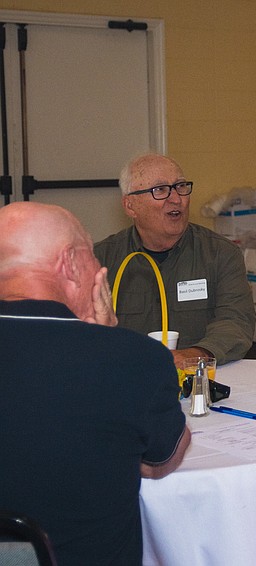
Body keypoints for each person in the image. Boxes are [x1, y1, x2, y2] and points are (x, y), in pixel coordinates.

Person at [0, 202, 190, 566]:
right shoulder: (134, 359)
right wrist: (110, 339)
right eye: (91, 254)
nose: (101, 268)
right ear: (70, 263)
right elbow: (162, 461)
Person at [95, 153, 255, 365]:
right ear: (130, 206)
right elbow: (80, 330)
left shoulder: (220, 254)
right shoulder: (101, 260)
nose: (176, 199)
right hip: (127, 379)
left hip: (199, 378)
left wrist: (192, 355)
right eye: (160, 190)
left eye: (180, 186)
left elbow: (236, 321)